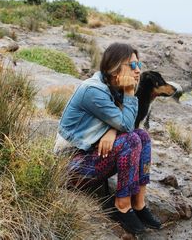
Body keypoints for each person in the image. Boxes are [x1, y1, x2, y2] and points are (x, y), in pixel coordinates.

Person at [54, 42, 161, 235]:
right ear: (114, 68)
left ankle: (138, 203)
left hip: (89, 156)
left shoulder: (113, 86)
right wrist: (129, 93)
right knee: (131, 140)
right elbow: (126, 125)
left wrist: (112, 130)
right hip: (68, 168)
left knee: (142, 136)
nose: (138, 71)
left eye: (139, 65)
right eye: (132, 65)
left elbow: (125, 124)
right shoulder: (93, 90)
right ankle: (121, 205)